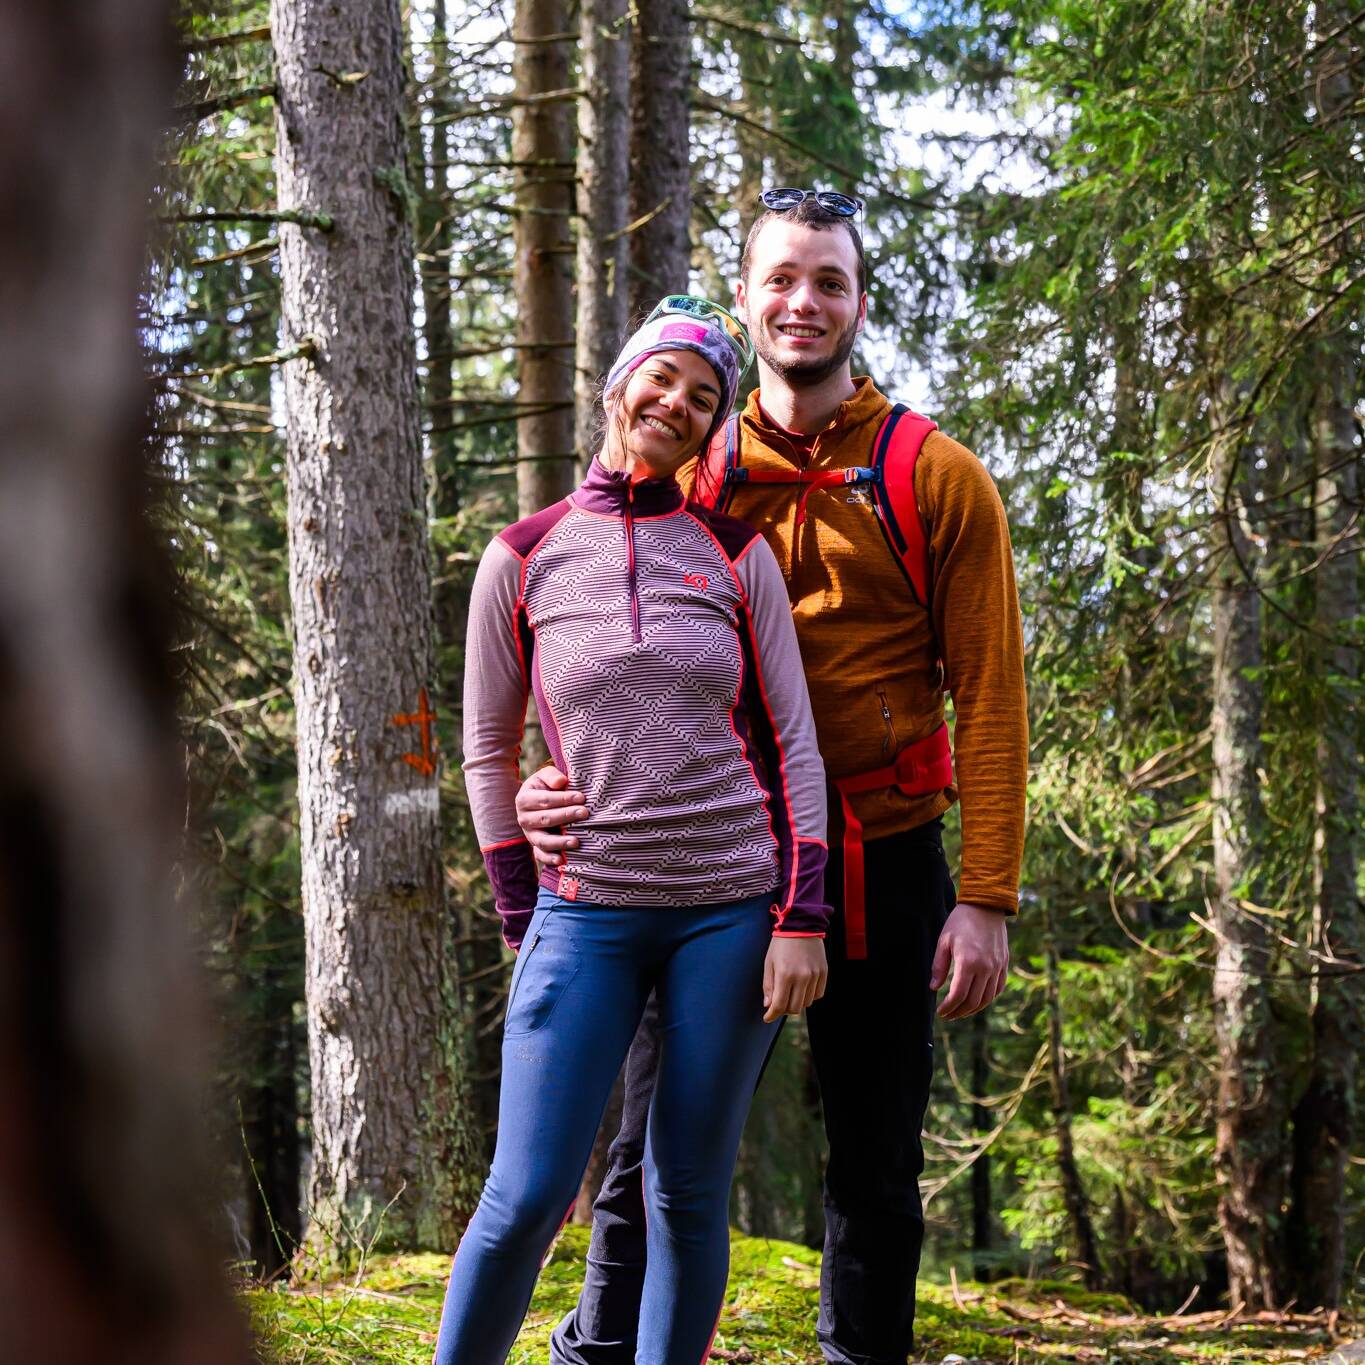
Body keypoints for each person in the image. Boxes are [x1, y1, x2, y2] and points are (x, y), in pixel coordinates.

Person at [518, 191, 1028, 1365]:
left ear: (859, 303)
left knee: (875, 1149)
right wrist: (540, 783)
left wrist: (987, 893)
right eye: (781, 280)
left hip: (888, 857)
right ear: (746, 301)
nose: (804, 302)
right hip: (713, 860)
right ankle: (602, 1346)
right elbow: (592, 633)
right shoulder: (696, 470)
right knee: (651, 1140)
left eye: (829, 281)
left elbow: (994, 694)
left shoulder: (936, 476)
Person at [432, 298, 832, 1365]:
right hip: (586, 913)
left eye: (705, 398)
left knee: (685, 1192)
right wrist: (525, 915)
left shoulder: (735, 557)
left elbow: (794, 743)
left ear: (714, 427)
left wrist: (801, 914)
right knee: (524, 1193)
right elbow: (486, 750)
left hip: (732, 916)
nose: (679, 405)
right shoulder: (520, 558)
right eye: (664, 381)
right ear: (619, 387)